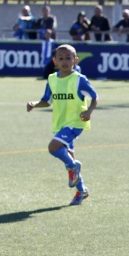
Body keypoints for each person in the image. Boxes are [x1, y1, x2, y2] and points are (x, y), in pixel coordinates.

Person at [26, 44, 97, 206]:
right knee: (68, 158)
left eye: (68, 58)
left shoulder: (79, 79)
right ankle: (82, 190)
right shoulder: (52, 79)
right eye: (61, 58)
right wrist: (34, 104)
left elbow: (95, 97)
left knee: (53, 147)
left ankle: (74, 167)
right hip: (61, 123)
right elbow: (46, 101)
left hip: (75, 122)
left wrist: (88, 112)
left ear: (75, 60)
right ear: (55, 61)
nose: (64, 61)